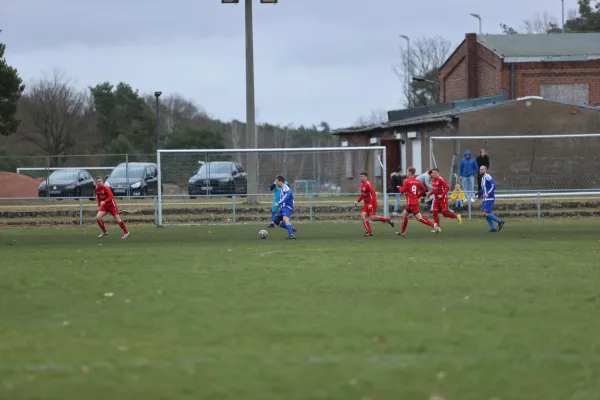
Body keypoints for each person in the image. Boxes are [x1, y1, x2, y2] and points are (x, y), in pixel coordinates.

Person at [395, 167, 438, 237]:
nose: (407, 173)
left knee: (419, 218)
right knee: (404, 215)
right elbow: (424, 190)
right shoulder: (417, 181)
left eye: (407, 172)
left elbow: (402, 191)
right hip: (413, 202)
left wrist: (399, 187)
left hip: (412, 203)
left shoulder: (406, 181)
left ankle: (433, 225)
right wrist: (418, 196)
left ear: (409, 173)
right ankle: (402, 232)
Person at [353, 172, 394, 236]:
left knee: (372, 218)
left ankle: (387, 219)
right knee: (363, 216)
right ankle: (370, 232)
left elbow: (373, 195)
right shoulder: (362, 185)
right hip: (366, 204)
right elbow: (362, 195)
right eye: (360, 177)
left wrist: (371, 204)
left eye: (362, 176)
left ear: (366, 177)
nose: (361, 178)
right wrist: (357, 201)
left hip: (372, 203)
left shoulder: (368, 184)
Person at [477, 165, 505, 232]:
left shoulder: (487, 176)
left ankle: (500, 221)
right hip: (485, 198)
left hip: (489, 198)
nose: (480, 170)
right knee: (486, 214)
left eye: (482, 169)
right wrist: (478, 192)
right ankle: (493, 228)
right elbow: (484, 189)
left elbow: (493, 185)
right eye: (480, 169)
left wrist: (488, 194)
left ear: (485, 170)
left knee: (485, 213)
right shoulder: (483, 178)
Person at [273, 175, 297, 239]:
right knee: (276, 220)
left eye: (277, 182)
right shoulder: (282, 188)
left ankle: (292, 235)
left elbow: (286, 197)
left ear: (281, 181)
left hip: (288, 207)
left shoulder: (286, 188)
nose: (276, 183)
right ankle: (291, 228)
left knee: (285, 219)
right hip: (283, 208)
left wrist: (279, 203)